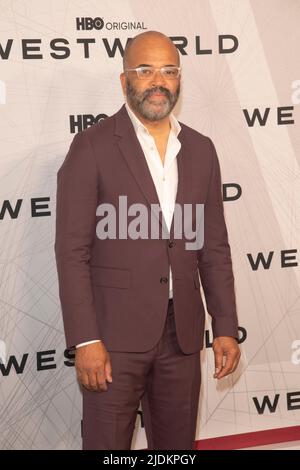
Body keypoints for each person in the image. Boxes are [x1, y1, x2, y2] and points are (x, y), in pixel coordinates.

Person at [54, 30, 241, 450]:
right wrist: (85, 339)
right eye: (145, 70)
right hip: (112, 341)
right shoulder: (91, 147)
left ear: (179, 80)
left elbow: (213, 247)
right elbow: (71, 253)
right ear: (124, 81)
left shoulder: (201, 149)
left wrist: (225, 326)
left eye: (169, 71)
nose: (158, 81)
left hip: (183, 336)